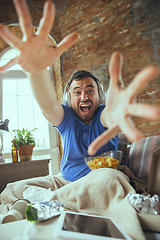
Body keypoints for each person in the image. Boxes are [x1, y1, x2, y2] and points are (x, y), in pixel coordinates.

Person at [0, 0, 160, 182]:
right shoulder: (67, 118)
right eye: (77, 92)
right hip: (64, 183)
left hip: (101, 181)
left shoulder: (102, 116)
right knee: (17, 188)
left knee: (113, 180)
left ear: (100, 96)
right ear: (69, 98)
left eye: (90, 90)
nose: (84, 96)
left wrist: (115, 110)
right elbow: (48, 106)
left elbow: (109, 116)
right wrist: (36, 71)